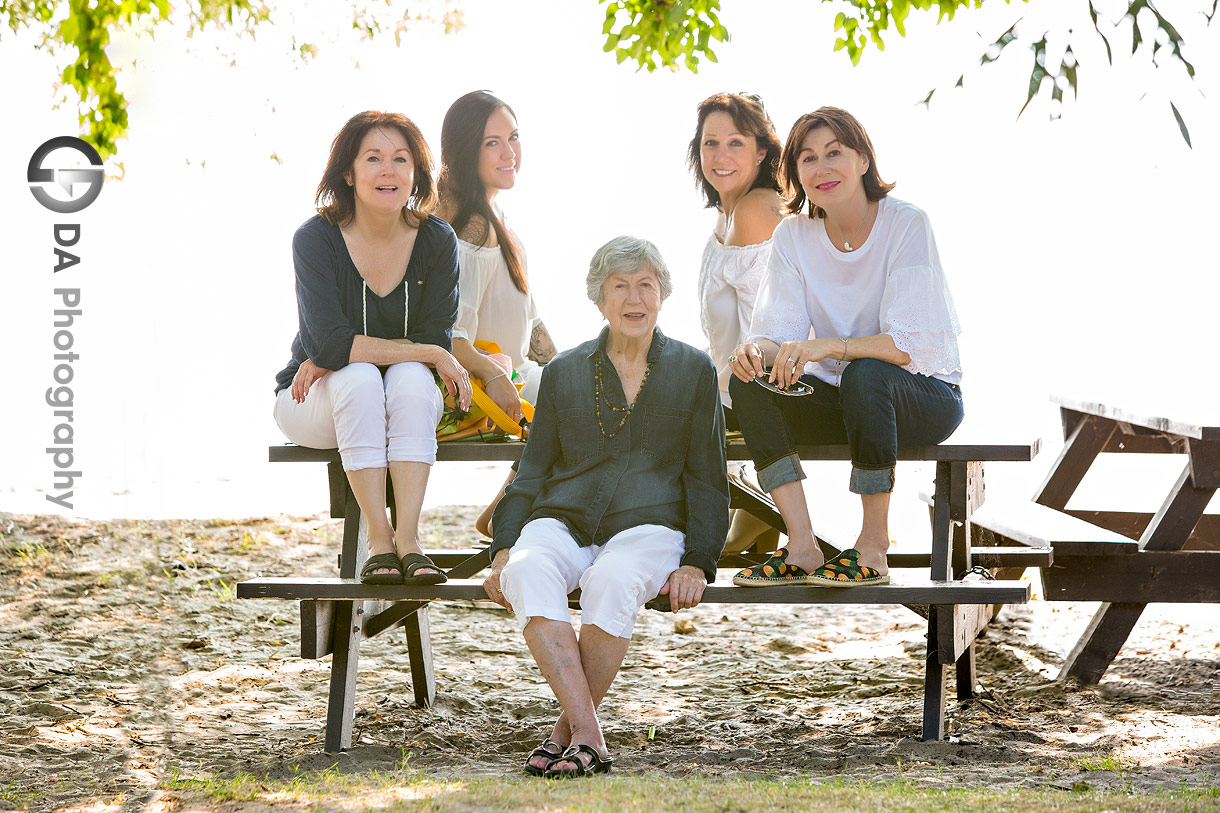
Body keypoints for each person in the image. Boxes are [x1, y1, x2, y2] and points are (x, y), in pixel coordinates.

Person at [481, 237, 729, 777]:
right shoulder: (564, 373)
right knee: (525, 572)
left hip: (651, 524)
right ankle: (590, 734)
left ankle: (565, 733)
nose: (634, 298)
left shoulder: (693, 370)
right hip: (565, 516)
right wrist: (502, 548)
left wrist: (698, 560)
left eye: (646, 285)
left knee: (613, 580)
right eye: (620, 286)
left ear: (663, 294)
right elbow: (532, 473)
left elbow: (710, 478)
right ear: (599, 298)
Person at [727, 106, 963, 588]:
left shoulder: (906, 224)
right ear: (795, 173)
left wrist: (828, 347)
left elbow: (904, 347)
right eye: (808, 158)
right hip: (848, 399)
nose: (822, 168)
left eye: (835, 153)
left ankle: (873, 548)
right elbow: (777, 334)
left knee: (866, 372)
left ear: (862, 160)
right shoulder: (793, 235)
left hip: (923, 396)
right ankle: (802, 546)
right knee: (747, 383)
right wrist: (754, 353)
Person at [273, 111, 472, 586]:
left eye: (401, 159)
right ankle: (379, 544)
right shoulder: (315, 238)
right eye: (374, 158)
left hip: (400, 403)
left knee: (404, 380)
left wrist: (427, 353)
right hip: (310, 401)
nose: (389, 170)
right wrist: (428, 354)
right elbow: (329, 343)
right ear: (349, 171)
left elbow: (432, 339)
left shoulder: (437, 240)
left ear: (416, 173)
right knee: (362, 379)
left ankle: (410, 542)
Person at [435, 90, 559, 537]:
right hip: (495, 383)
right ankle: (512, 513)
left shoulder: (493, 217)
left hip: (521, 372)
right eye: (492, 142)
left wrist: (574, 367)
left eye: (514, 137)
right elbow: (450, 335)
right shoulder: (473, 226)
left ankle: (511, 508)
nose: (510, 153)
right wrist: (494, 374)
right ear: (465, 150)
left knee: (595, 385)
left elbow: (532, 320)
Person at [688, 91, 786, 554]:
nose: (720, 156)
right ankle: (752, 507)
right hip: (732, 386)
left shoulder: (755, 211)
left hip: (763, 387)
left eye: (735, 143)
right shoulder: (727, 213)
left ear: (762, 151)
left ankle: (754, 504)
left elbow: (779, 322)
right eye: (710, 143)